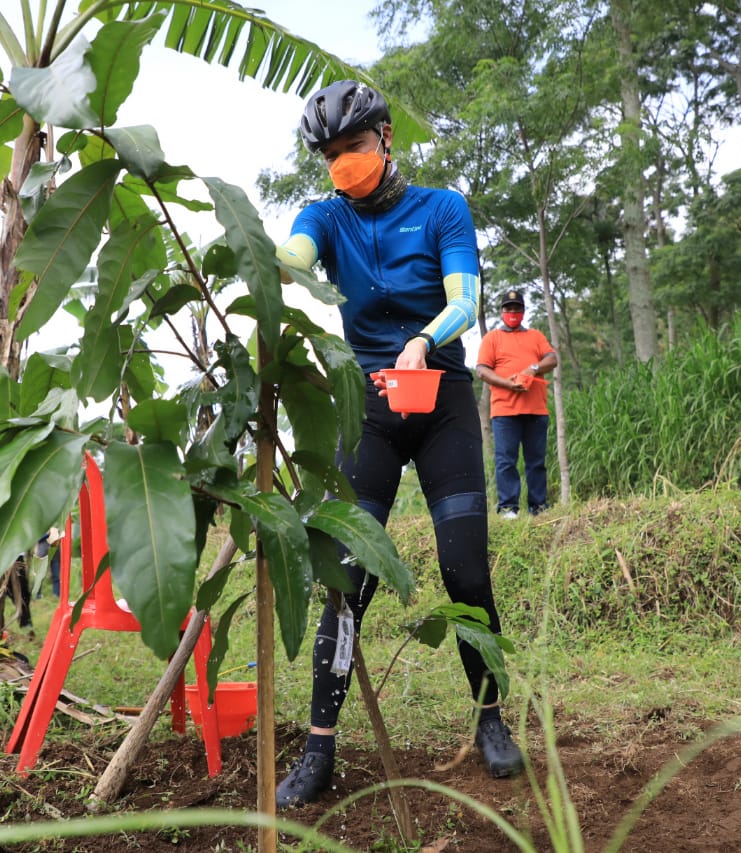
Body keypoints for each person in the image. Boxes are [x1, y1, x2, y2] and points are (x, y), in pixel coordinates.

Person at [272, 80, 524, 808]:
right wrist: (273, 260)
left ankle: (491, 717)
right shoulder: (324, 217)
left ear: (385, 139)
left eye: (353, 146)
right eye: (330, 154)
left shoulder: (442, 208)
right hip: (370, 408)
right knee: (349, 579)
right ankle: (319, 745)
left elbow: (465, 302)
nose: (343, 162)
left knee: (466, 570)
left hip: (440, 399)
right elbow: (295, 254)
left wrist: (421, 341)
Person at [476, 290, 559, 518]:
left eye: (517, 308)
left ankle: (538, 507)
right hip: (504, 410)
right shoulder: (492, 338)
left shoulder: (535, 336)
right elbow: (482, 370)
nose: (513, 313)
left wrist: (533, 367)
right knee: (505, 460)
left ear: (523, 311)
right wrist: (507, 383)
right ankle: (508, 508)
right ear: (502, 311)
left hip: (536, 408)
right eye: (508, 309)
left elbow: (552, 359)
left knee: (536, 460)